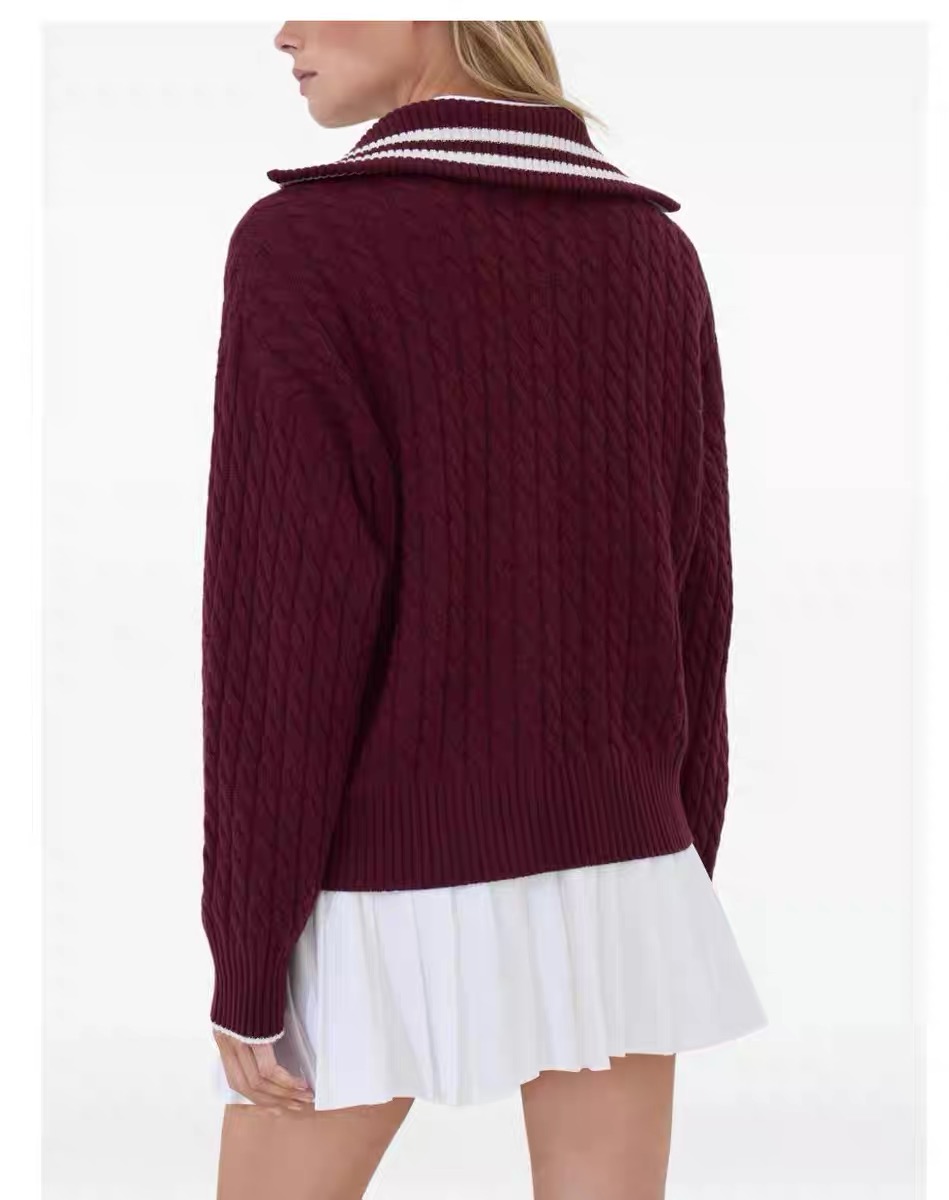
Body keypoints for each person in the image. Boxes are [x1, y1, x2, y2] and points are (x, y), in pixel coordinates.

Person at [201, 19, 768, 1200]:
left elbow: (281, 631)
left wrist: (247, 952)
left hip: (384, 869)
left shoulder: (305, 244)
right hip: (624, 858)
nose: (281, 30)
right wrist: (675, 865)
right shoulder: (650, 249)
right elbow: (696, 597)